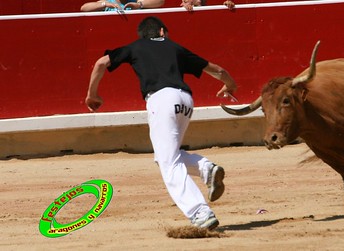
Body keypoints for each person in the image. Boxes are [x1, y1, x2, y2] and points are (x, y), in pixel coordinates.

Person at [84, 16, 238, 230]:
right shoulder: (176, 48)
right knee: (165, 157)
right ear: (163, 32)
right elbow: (218, 70)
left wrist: (92, 94)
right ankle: (205, 168)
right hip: (185, 101)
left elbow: (101, 63)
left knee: (168, 163)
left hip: (161, 100)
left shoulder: (135, 47)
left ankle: (200, 212)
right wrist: (230, 85)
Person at [80, 0, 165, 12]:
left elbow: (160, 1)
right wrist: (104, 4)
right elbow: (84, 8)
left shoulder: (136, 1)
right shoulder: (108, 2)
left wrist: (139, 5)